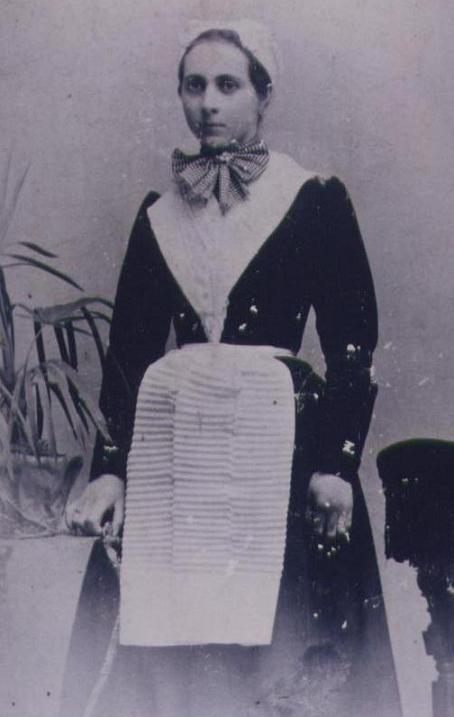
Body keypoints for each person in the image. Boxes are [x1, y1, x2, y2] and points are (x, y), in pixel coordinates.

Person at [63, 23, 402, 717]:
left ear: (263, 95)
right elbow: (128, 353)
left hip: (282, 448)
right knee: (164, 648)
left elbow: (351, 344)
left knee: (286, 643)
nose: (209, 103)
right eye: (194, 86)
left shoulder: (312, 198)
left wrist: (336, 463)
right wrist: (110, 469)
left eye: (228, 85)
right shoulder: (159, 215)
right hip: (175, 449)